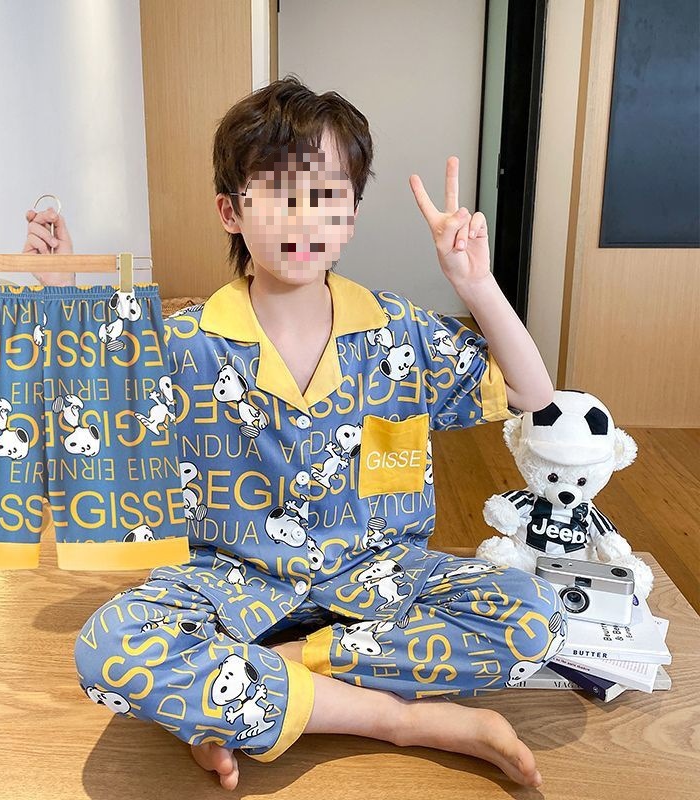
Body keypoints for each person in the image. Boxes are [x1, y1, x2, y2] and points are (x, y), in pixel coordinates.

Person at [28, 76, 565, 791]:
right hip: (229, 585)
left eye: (328, 195)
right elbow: (86, 426)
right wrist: (65, 299)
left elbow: (531, 394)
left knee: (533, 615)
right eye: (280, 193)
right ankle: (398, 718)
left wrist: (475, 284)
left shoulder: (399, 331)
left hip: (379, 581)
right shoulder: (183, 345)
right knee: (108, 648)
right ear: (230, 210)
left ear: (351, 216)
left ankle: (253, 692)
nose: (305, 217)